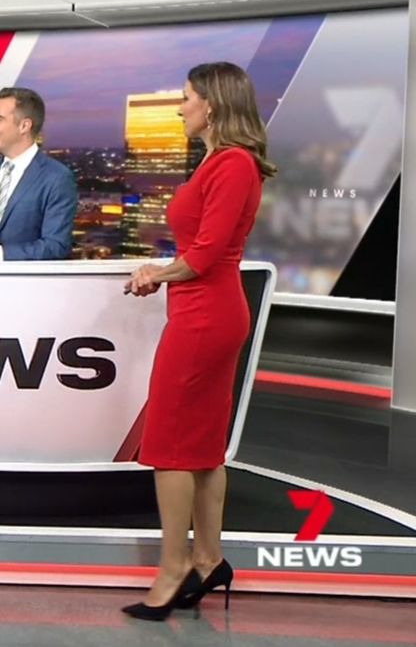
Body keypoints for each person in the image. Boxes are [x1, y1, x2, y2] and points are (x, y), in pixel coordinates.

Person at [122, 62, 276, 621]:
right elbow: (202, 249)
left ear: (211, 103)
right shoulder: (219, 160)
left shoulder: (233, 164)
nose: (180, 106)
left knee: (169, 445)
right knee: (205, 448)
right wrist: (165, 272)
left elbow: (206, 255)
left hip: (205, 317)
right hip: (203, 311)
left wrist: (154, 273)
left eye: (186, 97)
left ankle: (173, 569)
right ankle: (209, 561)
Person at [0, 87, 77, 260]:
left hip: (17, 277)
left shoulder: (56, 178)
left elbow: (56, 246)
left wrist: (2, 254)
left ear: (24, 126)